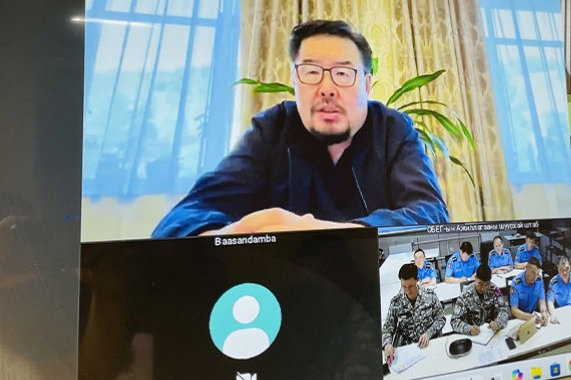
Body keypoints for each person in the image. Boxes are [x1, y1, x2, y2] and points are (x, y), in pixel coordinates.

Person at [152, 19, 449, 238]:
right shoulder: (273, 129)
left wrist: (318, 232)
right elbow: (182, 219)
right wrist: (230, 236)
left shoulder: (393, 129)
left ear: (367, 85)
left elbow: (431, 214)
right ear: (295, 82)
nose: (327, 88)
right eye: (311, 72)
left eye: (343, 73)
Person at [381, 263, 446, 366]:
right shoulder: (396, 303)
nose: (407, 290)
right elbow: (387, 329)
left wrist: (428, 333)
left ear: (417, 279)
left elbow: (441, 318)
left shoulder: (430, 296)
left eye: (410, 286)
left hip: (430, 345)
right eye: (404, 286)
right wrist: (387, 344)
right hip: (408, 350)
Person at [451, 264, 508, 336]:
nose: (483, 288)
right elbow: (454, 321)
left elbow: (504, 310)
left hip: (491, 332)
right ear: (475, 278)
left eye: (487, 284)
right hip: (473, 335)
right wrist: (468, 329)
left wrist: (498, 323)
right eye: (480, 284)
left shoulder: (494, 290)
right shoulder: (466, 294)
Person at [509, 259, 549, 324]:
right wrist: (530, 317)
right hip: (520, 318)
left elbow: (542, 302)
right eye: (533, 273)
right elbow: (514, 310)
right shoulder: (516, 283)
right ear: (526, 269)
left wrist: (543, 312)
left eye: (537, 274)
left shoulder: (539, 281)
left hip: (534, 316)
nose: (535, 277)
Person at [547, 256, 571, 324]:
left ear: (570, 266)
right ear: (557, 268)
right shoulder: (553, 282)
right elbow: (550, 301)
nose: (565, 272)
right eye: (561, 269)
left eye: (567, 268)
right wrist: (552, 315)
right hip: (560, 311)